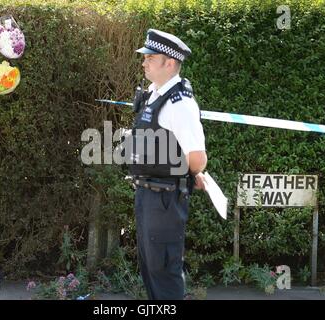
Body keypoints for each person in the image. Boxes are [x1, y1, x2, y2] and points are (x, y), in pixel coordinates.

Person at [128, 29, 208, 300]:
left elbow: (197, 158)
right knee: (150, 267)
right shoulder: (155, 93)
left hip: (164, 199)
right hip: (148, 194)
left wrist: (191, 172)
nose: (144, 62)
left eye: (151, 57)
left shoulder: (180, 104)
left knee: (163, 269)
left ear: (170, 63)